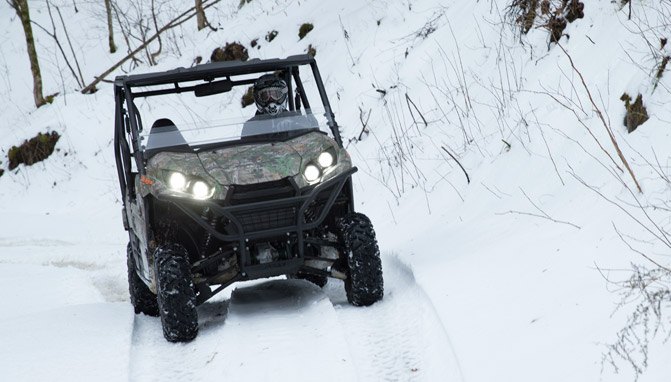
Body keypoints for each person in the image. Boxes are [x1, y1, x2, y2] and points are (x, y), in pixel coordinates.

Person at [241, 74, 317, 138]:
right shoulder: (251, 126)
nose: (271, 100)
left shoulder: (296, 118)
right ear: (258, 98)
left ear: (283, 96)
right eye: (265, 96)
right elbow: (246, 151)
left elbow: (312, 137)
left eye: (275, 95)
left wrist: (292, 128)